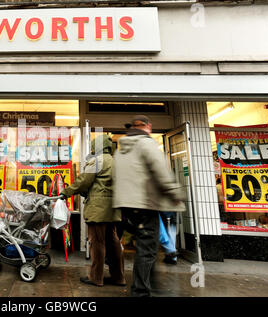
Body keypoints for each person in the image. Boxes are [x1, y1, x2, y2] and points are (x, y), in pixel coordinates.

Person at [113, 115, 185, 297]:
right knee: (147, 250)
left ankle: (148, 284)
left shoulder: (120, 150)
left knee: (146, 247)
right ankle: (140, 291)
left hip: (126, 207)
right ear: (148, 126)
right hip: (145, 204)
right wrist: (176, 193)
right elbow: (161, 172)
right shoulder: (146, 144)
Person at [61, 135, 126, 287]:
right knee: (113, 242)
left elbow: (84, 180)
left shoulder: (98, 160)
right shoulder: (116, 161)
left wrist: (67, 192)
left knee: (97, 242)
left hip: (98, 209)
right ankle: (119, 277)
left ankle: (96, 277)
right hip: (113, 208)